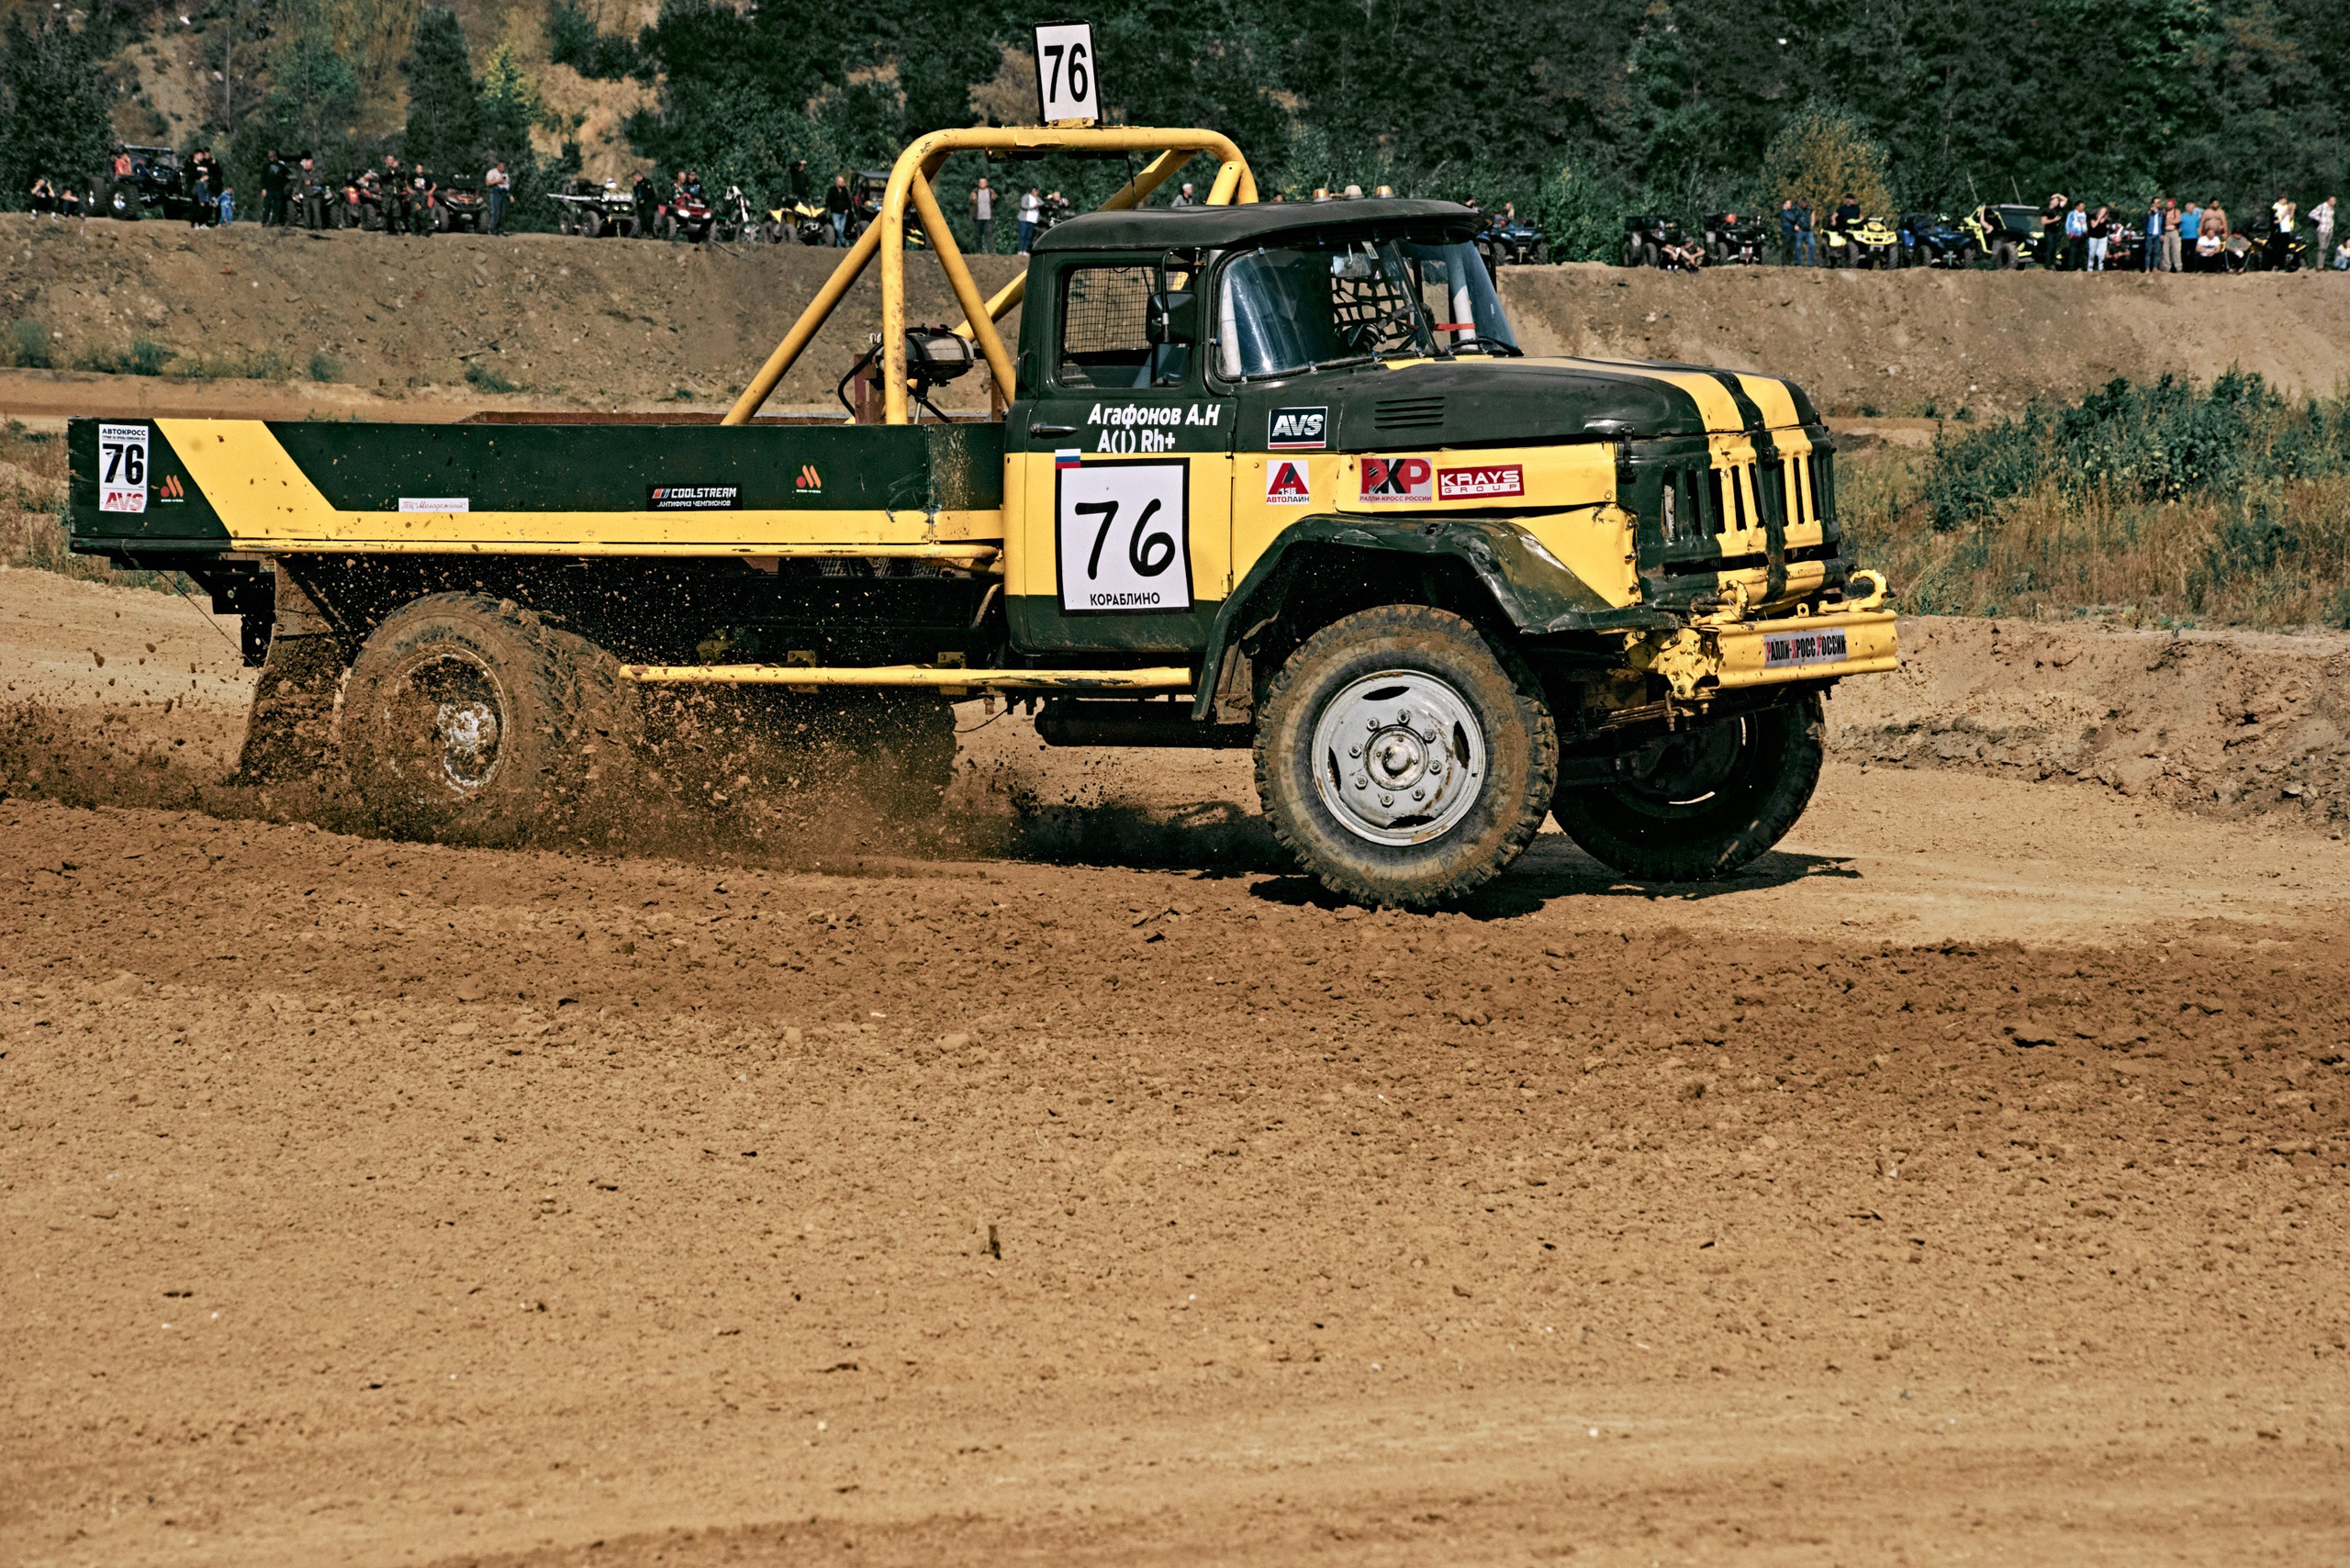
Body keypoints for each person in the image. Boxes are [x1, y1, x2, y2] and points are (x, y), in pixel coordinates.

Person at [968, 175, 994, 252]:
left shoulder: (990, 192)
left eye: (983, 182)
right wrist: (972, 199)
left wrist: (995, 197)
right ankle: (978, 252)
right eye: (980, 182)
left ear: (986, 183)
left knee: (988, 235)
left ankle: (991, 252)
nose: (981, 184)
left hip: (988, 217)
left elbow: (996, 202)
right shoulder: (975, 192)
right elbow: (970, 202)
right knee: (978, 236)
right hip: (978, 217)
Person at [824, 173, 850, 245]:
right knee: (837, 228)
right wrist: (826, 208)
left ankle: (839, 248)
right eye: (841, 182)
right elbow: (828, 200)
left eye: (843, 182)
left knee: (841, 230)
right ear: (837, 182)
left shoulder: (845, 190)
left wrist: (847, 209)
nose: (843, 183)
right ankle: (843, 241)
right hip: (835, 212)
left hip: (844, 213)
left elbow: (848, 200)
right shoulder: (832, 190)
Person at [484, 160, 509, 234]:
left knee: (503, 212)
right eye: (501, 167)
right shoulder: (492, 172)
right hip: (496, 191)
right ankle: (493, 230)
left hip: (504, 192)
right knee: (496, 211)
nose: (503, 169)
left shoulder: (505, 174)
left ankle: (500, 230)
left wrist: (510, 195)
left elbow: (507, 184)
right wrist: (497, 181)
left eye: (504, 167)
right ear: (498, 166)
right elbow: (488, 183)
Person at [2313, 196, 2336, 272]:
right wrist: (2320, 219)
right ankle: (2319, 266)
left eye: (2334, 201)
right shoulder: (2322, 206)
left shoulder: (2332, 209)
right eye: (2332, 201)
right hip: (2322, 230)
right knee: (2321, 248)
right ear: (2328, 201)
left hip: (2329, 230)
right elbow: (2312, 214)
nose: (2333, 202)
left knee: (2325, 248)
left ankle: (2322, 265)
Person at [1017, 185, 1041, 254]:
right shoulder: (1026, 197)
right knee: (1023, 235)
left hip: (1033, 219)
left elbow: (1042, 203)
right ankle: (1020, 250)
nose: (1035, 192)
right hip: (1024, 219)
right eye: (1034, 191)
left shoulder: (1037, 198)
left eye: (1036, 191)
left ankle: (1025, 250)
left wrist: (1038, 203)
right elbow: (1023, 206)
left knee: (1029, 236)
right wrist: (1032, 207)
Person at [2065, 199, 2087, 270]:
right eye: (2082, 206)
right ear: (2077, 206)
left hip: (2083, 235)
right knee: (2073, 251)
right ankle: (2071, 267)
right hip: (2074, 235)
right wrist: (2068, 233)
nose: (2083, 207)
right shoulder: (2072, 213)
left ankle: (2080, 266)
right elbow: (2068, 224)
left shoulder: (2084, 214)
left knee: (2081, 251)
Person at [2087, 205, 2109, 272]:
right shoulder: (2093, 217)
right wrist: (2099, 218)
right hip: (2094, 237)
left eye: (2104, 211)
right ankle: (2090, 267)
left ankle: (2101, 267)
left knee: (2101, 253)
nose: (2102, 212)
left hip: (2103, 238)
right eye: (2102, 211)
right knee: (2092, 253)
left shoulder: (2107, 220)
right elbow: (2093, 226)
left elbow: (2108, 228)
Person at [1794, 198, 1815, 266]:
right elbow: (1791, 217)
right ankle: (1798, 264)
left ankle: (1810, 264)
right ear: (1800, 203)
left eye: (1805, 203)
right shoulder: (1796, 209)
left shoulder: (1809, 209)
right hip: (1800, 230)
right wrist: (1794, 225)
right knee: (1798, 247)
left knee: (1812, 244)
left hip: (1808, 231)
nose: (1804, 204)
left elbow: (1813, 214)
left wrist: (1812, 224)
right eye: (1803, 203)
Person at [1778, 197, 1798, 264]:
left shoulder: (1790, 211)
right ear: (1785, 204)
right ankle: (1784, 263)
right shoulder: (1783, 212)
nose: (1790, 205)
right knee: (1786, 248)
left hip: (1792, 232)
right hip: (1787, 232)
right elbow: (1793, 219)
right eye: (1789, 203)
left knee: (1792, 248)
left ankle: (1790, 263)